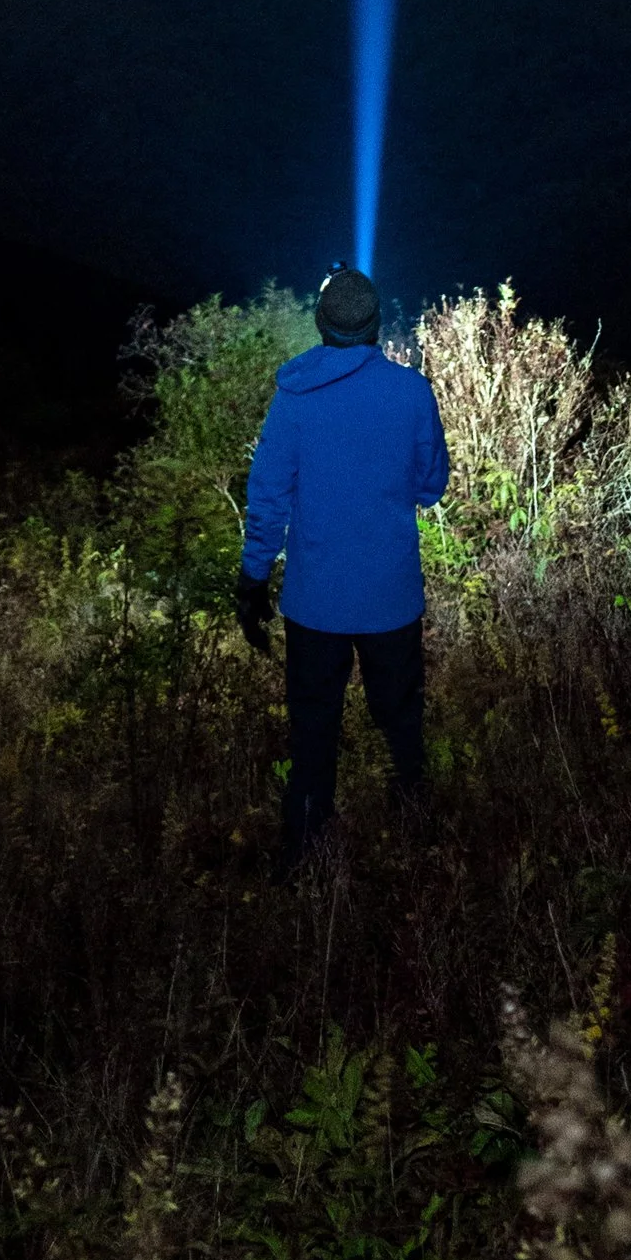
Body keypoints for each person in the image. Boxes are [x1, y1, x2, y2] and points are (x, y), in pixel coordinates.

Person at [237, 266, 450, 868]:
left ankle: (303, 853)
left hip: (315, 604)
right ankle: (418, 840)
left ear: (320, 324)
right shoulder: (412, 392)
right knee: (401, 720)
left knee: (312, 729)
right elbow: (432, 487)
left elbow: (268, 495)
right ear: (376, 325)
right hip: (391, 599)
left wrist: (253, 580)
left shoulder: (294, 396)